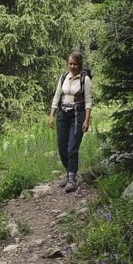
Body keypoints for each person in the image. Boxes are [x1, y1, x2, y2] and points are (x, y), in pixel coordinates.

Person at [49, 51, 92, 192]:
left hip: (77, 115)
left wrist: (86, 120)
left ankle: (72, 180)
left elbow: (88, 101)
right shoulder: (63, 78)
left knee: (72, 149)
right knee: (62, 149)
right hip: (63, 115)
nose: (72, 67)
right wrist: (52, 116)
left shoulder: (84, 80)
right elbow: (56, 97)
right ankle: (69, 175)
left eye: (75, 64)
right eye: (70, 64)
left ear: (80, 64)